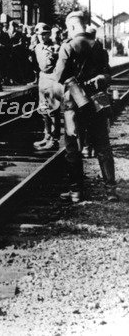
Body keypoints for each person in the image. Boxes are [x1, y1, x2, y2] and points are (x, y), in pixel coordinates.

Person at [53, 11, 117, 202]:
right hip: (97, 101)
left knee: (73, 146)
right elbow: (107, 74)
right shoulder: (99, 47)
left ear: (72, 26)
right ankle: (110, 191)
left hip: (75, 102)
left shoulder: (68, 47)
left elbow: (58, 76)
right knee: (103, 146)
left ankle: (76, 192)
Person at [33, 23, 62, 150]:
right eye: (39, 34)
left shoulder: (56, 48)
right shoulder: (37, 47)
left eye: (44, 34)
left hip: (52, 79)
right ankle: (47, 135)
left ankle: (55, 139)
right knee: (43, 109)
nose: (41, 37)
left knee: (53, 111)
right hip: (43, 78)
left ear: (49, 34)